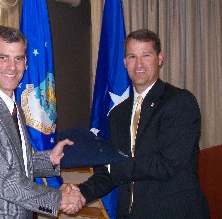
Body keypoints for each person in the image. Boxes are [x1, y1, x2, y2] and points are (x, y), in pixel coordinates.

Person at [62, 29, 210, 218]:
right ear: (125, 62)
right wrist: (82, 193)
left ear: (160, 58)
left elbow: (166, 164)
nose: (138, 64)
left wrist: (112, 167)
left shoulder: (179, 102)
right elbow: (112, 170)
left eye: (146, 55)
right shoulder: (117, 114)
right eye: (132, 56)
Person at [0, 25, 83, 218]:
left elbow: (11, 162)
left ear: (25, 62)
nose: (12, 67)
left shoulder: (13, 107)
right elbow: (1, 180)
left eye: (18, 58)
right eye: (3, 57)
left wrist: (49, 160)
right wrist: (58, 199)